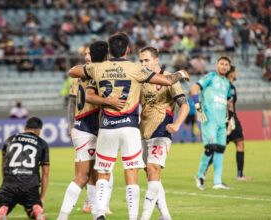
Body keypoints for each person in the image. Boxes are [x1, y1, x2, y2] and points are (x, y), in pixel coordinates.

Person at [69, 32, 189, 220]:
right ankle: (134, 217)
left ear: (109, 50)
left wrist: (103, 91)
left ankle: (99, 212)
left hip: (107, 126)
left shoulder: (98, 68)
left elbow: (73, 71)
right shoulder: (135, 69)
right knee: (131, 172)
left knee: (103, 172)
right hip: (130, 127)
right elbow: (166, 80)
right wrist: (180, 73)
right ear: (128, 49)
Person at [57, 41, 123, 220]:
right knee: (82, 176)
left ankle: (97, 214)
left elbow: (72, 74)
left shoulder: (84, 71)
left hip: (92, 127)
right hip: (87, 126)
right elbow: (83, 98)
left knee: (96, 174)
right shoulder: (97, 72)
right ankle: (62, 217)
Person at [139, 46, 190, 220]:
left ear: (156, 60)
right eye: (141, 60)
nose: (143, 63)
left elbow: (184, 104)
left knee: (153, 169)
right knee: (150, 174)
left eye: (146, 60)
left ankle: (144, 216)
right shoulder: (141, 79)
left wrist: (176, 124)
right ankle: (165, 215)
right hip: (143, 131)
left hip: (162, 129)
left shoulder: (170, 79)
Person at [0, 117, 49, 220]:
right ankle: (36, 209)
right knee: (32, 209)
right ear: (39, 130)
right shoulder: (42, 143)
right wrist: (41, 198)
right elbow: (46, 173)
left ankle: (2, 210)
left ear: (25, 127)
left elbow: (4, 166)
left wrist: (6, 183)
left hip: (10, 183)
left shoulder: (10, 140)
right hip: (31, 185)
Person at [190, 56, 232, 190]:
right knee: (210, 148)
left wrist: (229, 120)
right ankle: (200, 175)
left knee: (220, 149)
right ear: (216, 65)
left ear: (229, 68)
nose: (224, 66)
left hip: (221, 122)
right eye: (221, 64)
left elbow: (228, 103)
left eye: (226, 64)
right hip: (209, 119)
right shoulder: (210, 77)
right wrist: (198, 108)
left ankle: (217, 182)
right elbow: (194, 89)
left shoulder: (227, 83)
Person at [224, 66, 251, 181]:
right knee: (219, 148)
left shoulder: (231, 86)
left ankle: (240, 174)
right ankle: (202, 173)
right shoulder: (225, 86)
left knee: (240, 143)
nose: (237, 73)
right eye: (236, 72)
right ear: (231, 73)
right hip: (227, 119)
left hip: (232, 117)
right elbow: (225, 104)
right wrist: (229, 121)